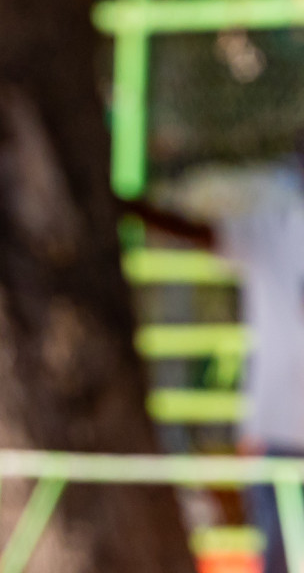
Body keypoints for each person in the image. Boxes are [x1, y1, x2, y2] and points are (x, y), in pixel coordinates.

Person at [125, 138, 304, 573]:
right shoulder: (279, 226)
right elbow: (202, 232)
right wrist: (127, 205)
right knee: (278, 555)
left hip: (277, 432)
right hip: (280, 433)